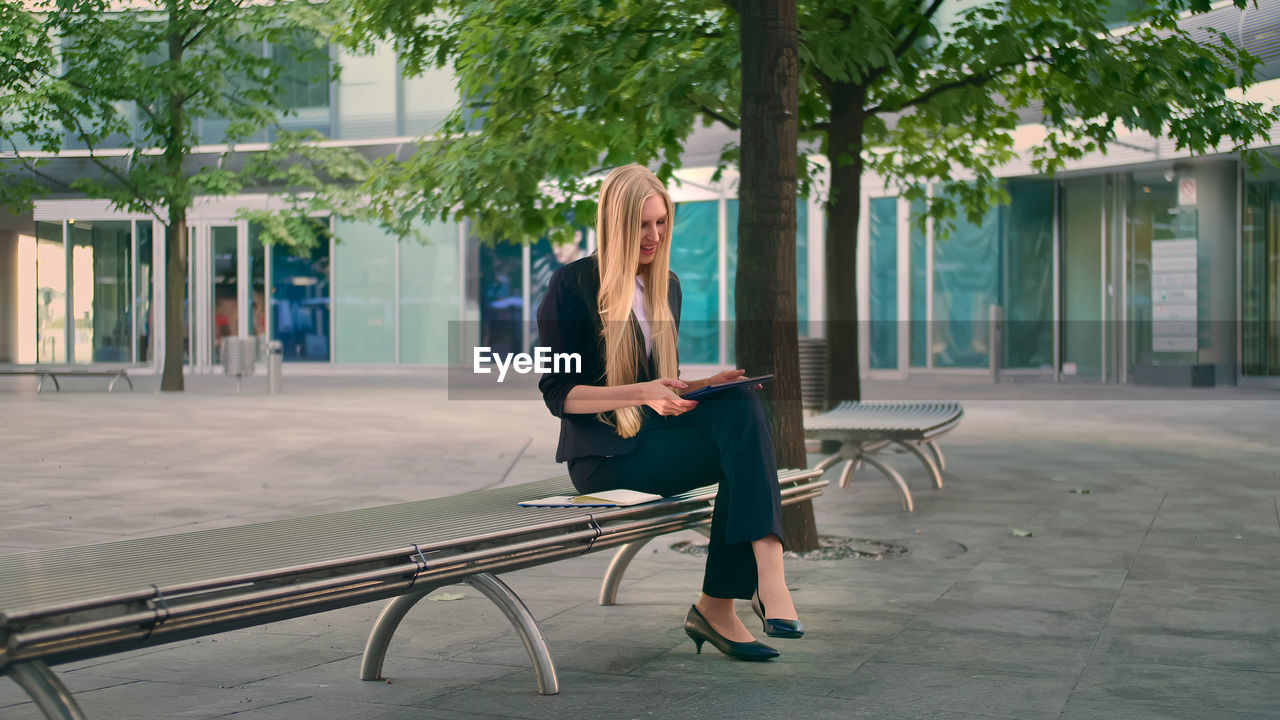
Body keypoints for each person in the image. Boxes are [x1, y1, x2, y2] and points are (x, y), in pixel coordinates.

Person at [536, 163, 802, 662]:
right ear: (615, 222)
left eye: (661, 223)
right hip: (605, 461)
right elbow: (559, 395)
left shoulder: (666, 285)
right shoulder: (570, 286)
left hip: (655, 440)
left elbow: (660, 383)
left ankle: (752, 585)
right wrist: (641, 393)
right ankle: (736, 598)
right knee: (740, 448)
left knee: (741, 402)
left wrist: (703, 386)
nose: (654, 236)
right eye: (642, 224)